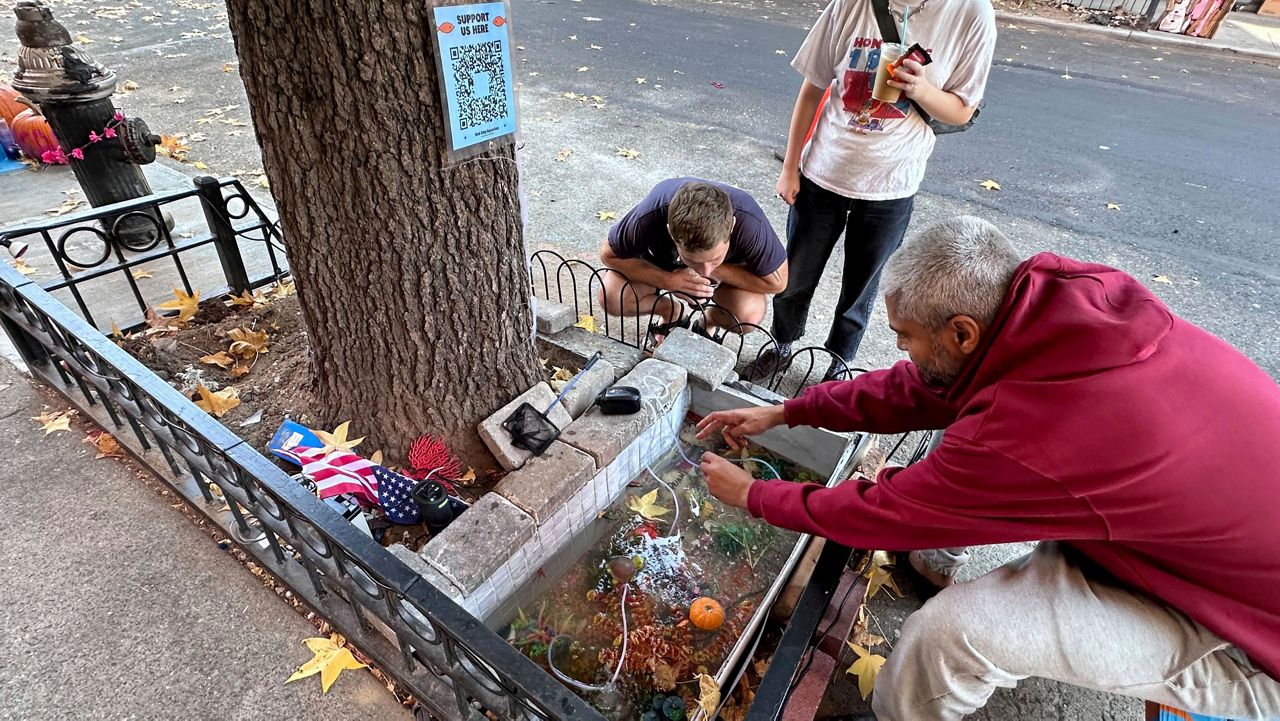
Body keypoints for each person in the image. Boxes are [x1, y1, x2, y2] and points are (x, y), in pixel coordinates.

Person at [696, 216, 1280, 720]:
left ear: (962, 332)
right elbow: (919, 388)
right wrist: (787, 411)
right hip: (1188, 538)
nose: (900, 350)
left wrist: (754, 496)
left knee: (947, 636)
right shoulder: (1051, 303)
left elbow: (887, 513)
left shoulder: (1030, 432)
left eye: (905, 336)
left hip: (1249, 635)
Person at [752, 0, 997, 381]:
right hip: (823, 171)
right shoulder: (851, 4)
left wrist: (919, 88)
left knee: (861, 291)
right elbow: (812, 88)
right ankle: (782, 343)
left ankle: (838, 364)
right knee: (795, 276)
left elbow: (962, 111)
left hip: (892, 183)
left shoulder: (971, 13)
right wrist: (790, 168)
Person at [599, 178, 787, 338]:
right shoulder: (652, 212)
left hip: (729, 275)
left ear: (732, 227)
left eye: (715, 257)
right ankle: (670, 312)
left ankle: (708, 321)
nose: (705, 271)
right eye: (694, 261)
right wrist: (668, 280)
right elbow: (608, 254)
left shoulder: (750, 222)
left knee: (747, 316)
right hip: (662, 264)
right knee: (612, 297)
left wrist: (718, 271)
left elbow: (778, 283)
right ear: (670, 233)